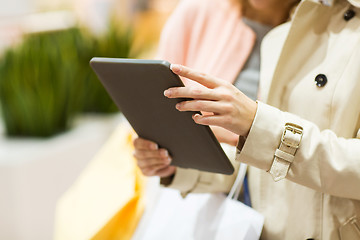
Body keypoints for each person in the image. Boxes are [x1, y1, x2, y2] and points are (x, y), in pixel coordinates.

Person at [136, 0, 360, 239]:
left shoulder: (314, 19)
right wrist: (178, 167)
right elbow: (264, 170)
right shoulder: (307, 19)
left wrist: (257, 124)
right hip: (252, 226)